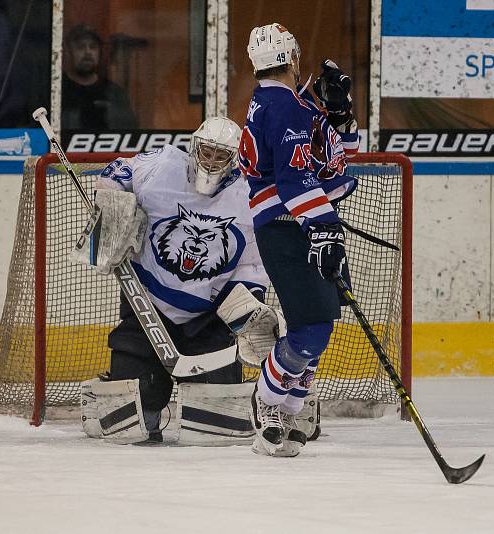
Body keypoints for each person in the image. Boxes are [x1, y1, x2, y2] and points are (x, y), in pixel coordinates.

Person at [90, 116, 280, 444]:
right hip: (147, 307)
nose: (210, 161)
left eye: (221, 156)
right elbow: (121, 168)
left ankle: (283, 399)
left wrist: (247, 308)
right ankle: (123, 392)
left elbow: (252, 263)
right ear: (193, 147)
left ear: (235, 160)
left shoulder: (248, 195)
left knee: (217, 425)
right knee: (130, 417)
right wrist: (111, 197)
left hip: (209, 317)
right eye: (205, 152)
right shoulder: (164, 165)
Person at [238, 23, 360, 456]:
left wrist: (339, 113)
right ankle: (268, 402)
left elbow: (336, 158)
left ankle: (289, 408)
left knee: (322, 328)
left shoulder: (290, 102)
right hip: (291, 226)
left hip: (304, 221)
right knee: (310, 330)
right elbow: (293, 181)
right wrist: (322, 228)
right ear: (292, 56)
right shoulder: (283, 107)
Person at [61, 24, 138, 131]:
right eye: (80, 47)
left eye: (93, 47)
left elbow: (130, 134)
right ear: (68, 52)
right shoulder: (57, 91)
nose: (88, 52)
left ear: (99, 52)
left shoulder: (115, 94)